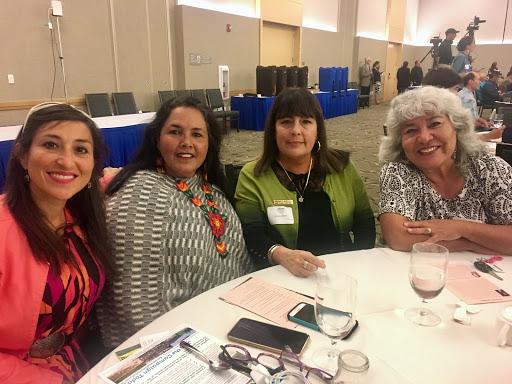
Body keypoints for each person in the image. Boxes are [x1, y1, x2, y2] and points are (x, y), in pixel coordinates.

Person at [96, 97, 253, 349]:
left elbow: (239, 265)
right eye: (175, 132)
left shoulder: (211, 190)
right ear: (157, 139)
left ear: (209, 143)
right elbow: (136, 306)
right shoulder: (140, 193)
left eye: (197, 134)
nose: (187, 143)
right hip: (173, 347)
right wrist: (192, 351)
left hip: (228, 326)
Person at [0, 103, 114, 383]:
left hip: (79, 365)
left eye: (81, 150)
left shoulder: (79, 220)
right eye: (51, 145)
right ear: (23, 156)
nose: (66, 161)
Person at [235, 88, 376, 277]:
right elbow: (251, 234)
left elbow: (364, 223)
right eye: (286, 122)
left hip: (341, 273)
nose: (296, 130)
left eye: (306, 122)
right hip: (282, 275)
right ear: (273, 130)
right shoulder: (253, 175)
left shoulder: (342, 166)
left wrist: (355, 268)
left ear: (317, 130)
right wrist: (282, 255)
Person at [378, 86, 512, 255]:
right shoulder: (398, 172)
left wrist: (462, 228)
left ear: (457, 128)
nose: (425, 138)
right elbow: (399, 238)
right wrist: (468, 244)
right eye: (411, 130)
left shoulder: (490, 169)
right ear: (400, 141)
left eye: (435, 124)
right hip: (419, 273)